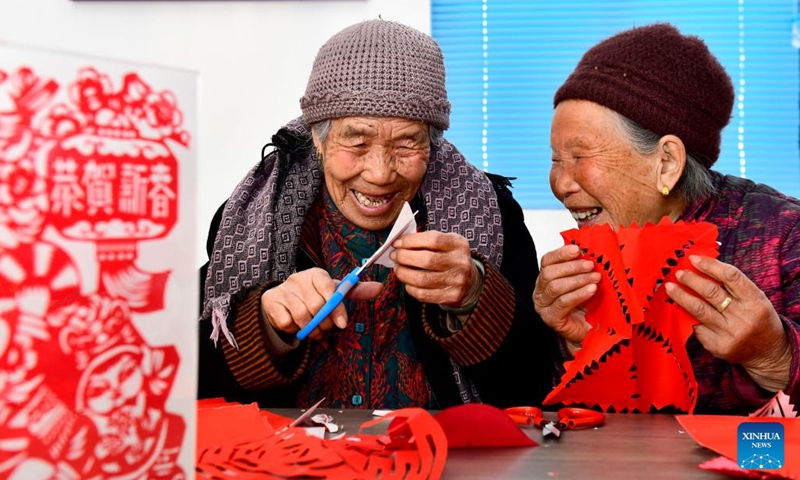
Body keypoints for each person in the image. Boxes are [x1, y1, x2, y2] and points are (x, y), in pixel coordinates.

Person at [198, 19, 556, 410]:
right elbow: (190, 381)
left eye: (407, 144)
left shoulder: (492, 213)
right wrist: (267, 322)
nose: (380, 173)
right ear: (317, 139)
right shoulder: (252, 220)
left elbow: (534, 386)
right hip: (296, 462)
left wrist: (474, 296)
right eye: (356, 141)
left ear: (432, 145)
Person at [533, 23, 800, 415]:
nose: (560, 182)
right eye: (556, 160)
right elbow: (566, 421)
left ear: (667, 163)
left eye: (580, 157)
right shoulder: (593, 250)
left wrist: (773, 355)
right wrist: (574, 345)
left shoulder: (785, 237)